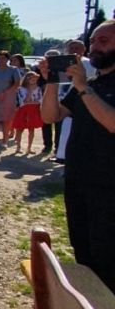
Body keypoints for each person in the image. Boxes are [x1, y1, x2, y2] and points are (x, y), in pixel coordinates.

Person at [39, 20, 115, 292]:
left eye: (103, 41)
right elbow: (51, 115)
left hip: (109, 188)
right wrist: (50, 83)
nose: (95, 47)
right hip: (78, 180)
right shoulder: (90, 83)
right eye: (93, 41)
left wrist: (83, 87)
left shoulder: (88, 87)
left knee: (107, 256)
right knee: (83, 250)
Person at [11, 71, 43, 154]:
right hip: (23, 110)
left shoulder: (38, 88)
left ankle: (29, 148)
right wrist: (29, 91)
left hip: (33, 110)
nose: (34, 80)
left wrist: (33, 99)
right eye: (32, 78)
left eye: (35, 78)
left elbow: (39, 100)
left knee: (31, 129)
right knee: (19, 129)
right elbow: (24, 101)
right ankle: (18, 147)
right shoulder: (21, 89)